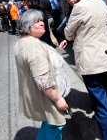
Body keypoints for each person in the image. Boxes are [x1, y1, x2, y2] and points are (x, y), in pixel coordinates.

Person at [64, 0, 107, 140]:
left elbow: (68, 33)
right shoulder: (100, 2)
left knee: (102, 106)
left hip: (91, 62)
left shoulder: (79, 7)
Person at [14, 9, 69, 139]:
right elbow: (43, 79)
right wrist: (58, 99)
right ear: (28, 26)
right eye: (36, 21)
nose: (42, 23)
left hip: (37, 94)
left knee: (49, 123)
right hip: (45, 96)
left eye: (41, 20)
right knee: (56, 124)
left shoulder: (22, 41)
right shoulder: (33, 45)